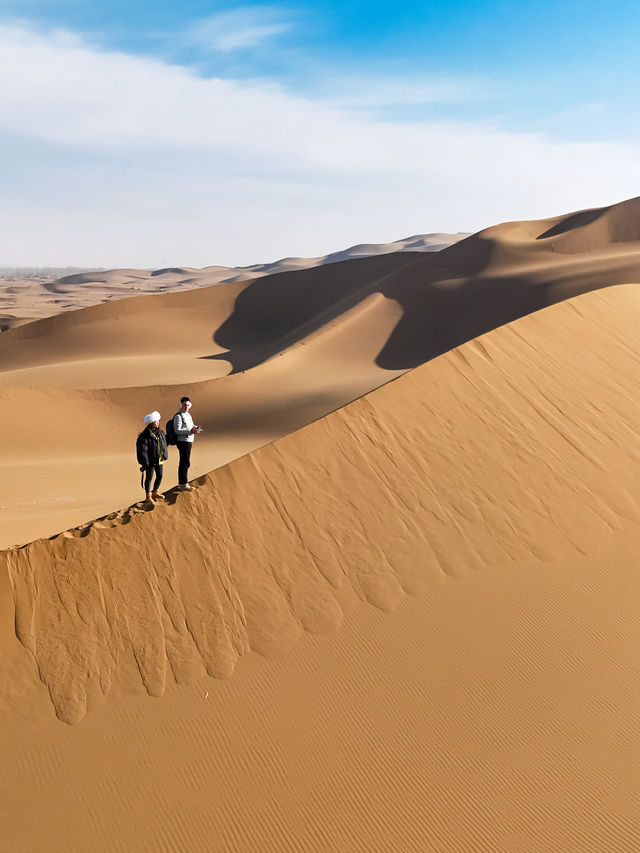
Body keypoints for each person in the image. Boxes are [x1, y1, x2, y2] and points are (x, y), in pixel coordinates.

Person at [136, 411, 168, 504]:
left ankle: (155, 492)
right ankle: (148, 496)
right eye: (156, 421)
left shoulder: (160, 433)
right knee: (149, 478)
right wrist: (145, 463)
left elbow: (164, 444)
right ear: (151, 423)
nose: (158, 422)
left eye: (158, 420)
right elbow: (143, 451)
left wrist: (164, 454)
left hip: (159, 459)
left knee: (160, 476)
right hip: (150, 461)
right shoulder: (144, 436)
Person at [173, 396, 202, 491]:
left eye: (188, 405)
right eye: (184, 405)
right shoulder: (178, 416)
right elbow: (177, 430)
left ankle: (184, 482)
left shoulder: (188, 415)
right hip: (183, 442)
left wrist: (196, 427)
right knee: (184, 463)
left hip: (189, 441)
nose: (186, 407)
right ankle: (182, 484)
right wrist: (190, 431)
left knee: (186, 462)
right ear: (181, 405)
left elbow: (190, 425)